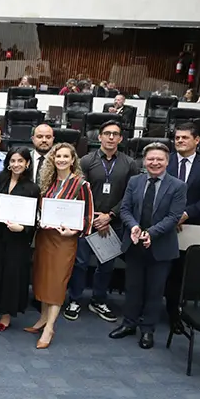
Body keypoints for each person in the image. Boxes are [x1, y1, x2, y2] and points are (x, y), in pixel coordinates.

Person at [110, 143, 186, 349]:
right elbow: (125, 209)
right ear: (144, 161)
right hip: (135, 244)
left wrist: (151, 233)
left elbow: (173, 217)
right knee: (132, 288)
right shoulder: (135, 181)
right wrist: (134, 226)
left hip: (161, 247)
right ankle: (129, 324)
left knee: (154, 291)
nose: (155, 163)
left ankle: (147, 330)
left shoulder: (178, 186)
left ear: (167, 162)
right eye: (150, 159)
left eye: (159, 159)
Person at [65, 121, 137, 323]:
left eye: (115, 134)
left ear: (121, 139)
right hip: (87, 221)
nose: (111, 137)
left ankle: (98, 300)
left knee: (105, 265)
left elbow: (131, 195)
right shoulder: (86, 161)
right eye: (107, 133)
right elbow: (79, 190)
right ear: (100, 137)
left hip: (112, 223)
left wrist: (110, 216)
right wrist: (93, 216)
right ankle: (75, 299)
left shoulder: (129, 164)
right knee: (80, 263)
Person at [27, 143, 94, 349]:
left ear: (73, 160)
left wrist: (74, 231)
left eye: (66, 156)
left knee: (57, 282)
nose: (62, 160)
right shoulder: (49, 183)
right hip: (45, 237)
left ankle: (50, 327)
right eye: (58, 156)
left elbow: (88, 216)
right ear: (53, 160)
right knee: (43, 279)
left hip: (65, 240)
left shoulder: (81, 185)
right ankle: (43, 319)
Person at [0, 147, 39, 332]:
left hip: (17, 239)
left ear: (27, 163)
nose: (16, 164)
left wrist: (23, 228)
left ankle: (5, 314)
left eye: (20, 161)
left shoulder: (33, 188)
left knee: (11, 276)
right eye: (13, 161)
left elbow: (34, 218)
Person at [164, 122, 200, 328]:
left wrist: (186, 214)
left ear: (197, 140)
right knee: (158, 269)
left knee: (179, 271)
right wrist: (171, 216)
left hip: (190, 226)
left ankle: (173, 314)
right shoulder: (164, 161)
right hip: (162, 224)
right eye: (177, 138)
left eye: (184, 137)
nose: (179, 141)